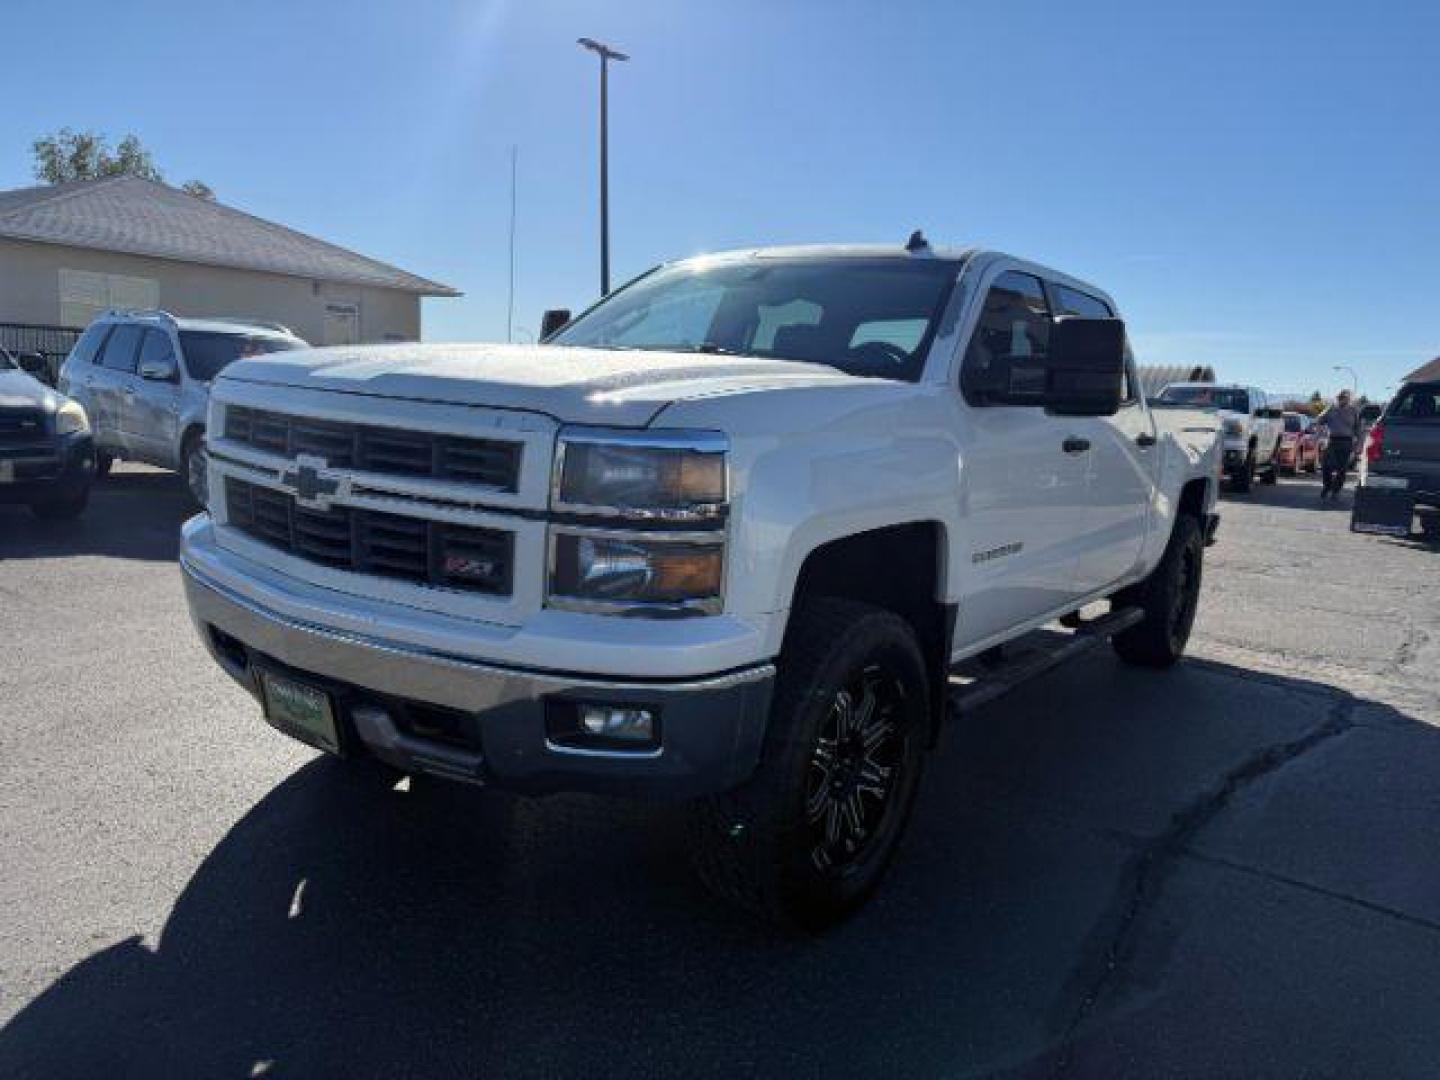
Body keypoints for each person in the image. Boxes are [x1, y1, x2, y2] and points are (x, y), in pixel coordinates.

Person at [1317, 389, 1360, 500]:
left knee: (1342, 468)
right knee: (1326, 466)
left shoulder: (1353, 411)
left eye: (1346, 398)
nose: (1343, 400)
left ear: (1349, 399)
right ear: (1338, 398)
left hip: (1346, 442)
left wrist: (1358, 445)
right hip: (1332, 441)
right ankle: (1327, 487)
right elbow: (1319, 420)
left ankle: (1336, 491)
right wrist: (1321, 434)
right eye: (1341, 397)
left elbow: (1358, 428)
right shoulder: (1331, 409)